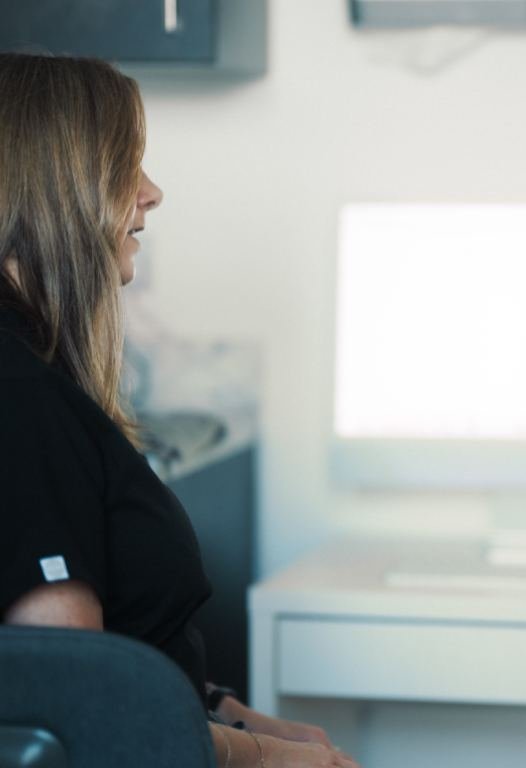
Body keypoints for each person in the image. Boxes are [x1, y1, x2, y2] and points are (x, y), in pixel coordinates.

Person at [0, 53, 359, 768]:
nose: (152, 193)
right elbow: (69, 707)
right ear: (51, 188)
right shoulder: (20, 396)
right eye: (125, 165)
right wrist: (266, 758)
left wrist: (228, 710)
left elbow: (123, 651)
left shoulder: (33, 375)